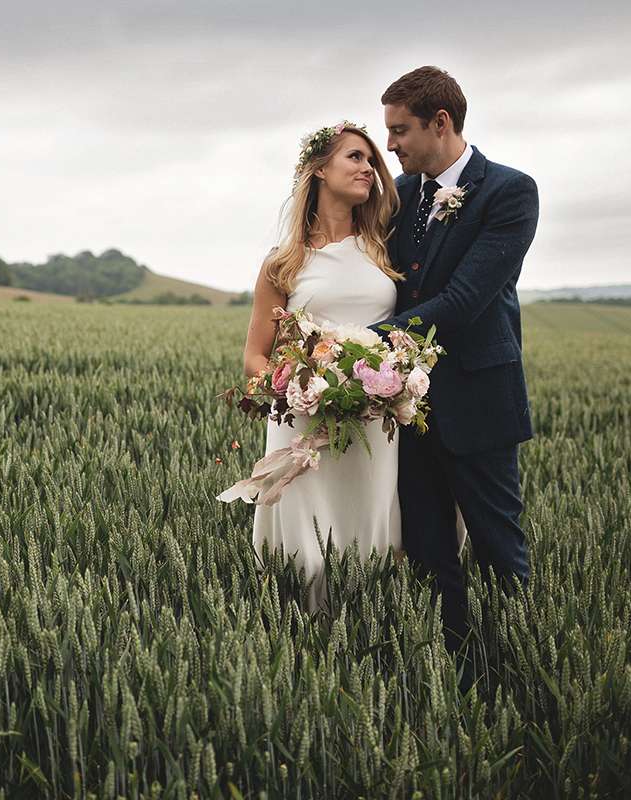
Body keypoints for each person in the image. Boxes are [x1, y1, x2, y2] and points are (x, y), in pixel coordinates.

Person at [370, 66, 539, 693]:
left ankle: (523, 676)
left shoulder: (510, 192)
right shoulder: (403, 195)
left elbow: (465, 299)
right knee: (428, 550)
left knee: (499, 550)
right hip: (405, 406)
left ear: (441, 123)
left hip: (478, 400)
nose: (391, 146)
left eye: (399, 131)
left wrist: (366, 342)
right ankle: (456, 674)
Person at [238, 121, 404, 614]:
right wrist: (299, 386)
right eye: (355, 157)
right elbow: (254, 356)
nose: (368, 168)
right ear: (319, 169)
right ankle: (299, 634)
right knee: (308, 557)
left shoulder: (384, 248)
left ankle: (367, 639)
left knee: (369, 542)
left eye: (372, 161)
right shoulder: (284, 263)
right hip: (305, 422)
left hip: (375, 423)